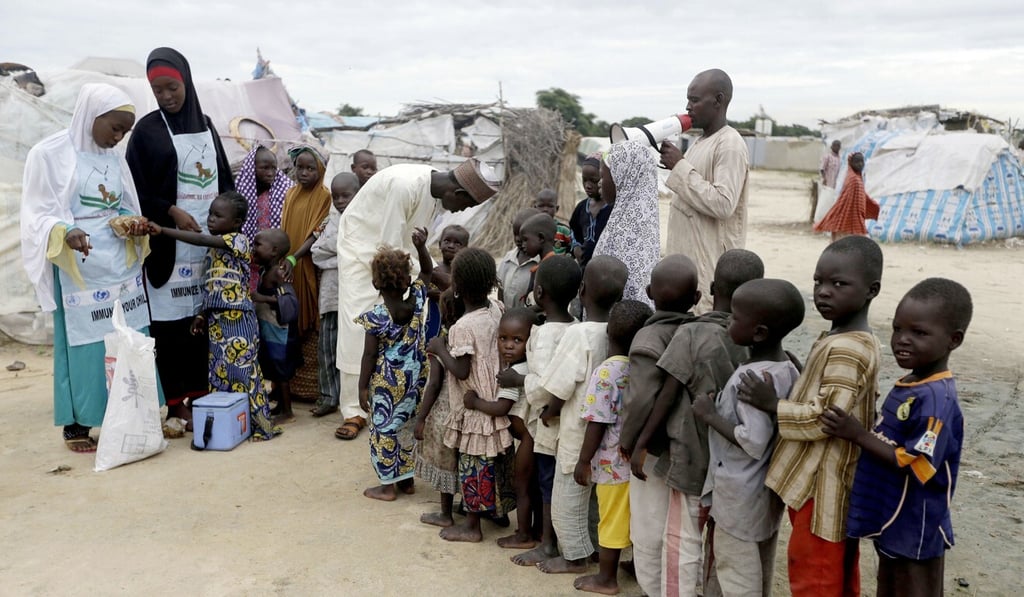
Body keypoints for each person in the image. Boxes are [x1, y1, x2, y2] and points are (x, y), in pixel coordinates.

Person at [738, 235, 884, 597]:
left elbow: (826, 417)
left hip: (823, 484)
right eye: (819, 281)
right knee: (836, 572)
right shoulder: (847, 336)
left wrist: (773, 404)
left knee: (815, 574)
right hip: (828, 481)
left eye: (839, 284)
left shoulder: (848, 348)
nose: (824, 292)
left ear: (871, 290)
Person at [21, 83, 154, 452]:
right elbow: (36, 214)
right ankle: (78, 423)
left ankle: (128, 414)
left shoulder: (115, 157)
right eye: (114, 127)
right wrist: (65, 230)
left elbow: (124, 204)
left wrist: (134, 222)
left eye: (124, 131)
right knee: (86, 343)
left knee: (128, 337)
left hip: (119, 264)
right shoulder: (49, 154)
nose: (118, 137)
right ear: (91, 116)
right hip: (79, 267)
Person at [822, 278, 971, 597]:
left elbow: (913, 461)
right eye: (897, 329)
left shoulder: (936, 401)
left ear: (953, 340)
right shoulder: (913, 382)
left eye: (919, 333)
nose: (902, 340)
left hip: (916, 525)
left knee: (912, 587)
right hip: (894, 520)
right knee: (889, 584)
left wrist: (856, 434)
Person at [335, 158, 500, 441]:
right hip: (360, 250)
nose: (461, 211)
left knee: (407, 321)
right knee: (359, 327)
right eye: (465, 205)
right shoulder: (405, 186)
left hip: (392, 253)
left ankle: (386, 397)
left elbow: (411, 244)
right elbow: (389, 247)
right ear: (458, 193)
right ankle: (353, 410)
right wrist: (439, 277)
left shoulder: (432, 192)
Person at [633, 249, 763, 596]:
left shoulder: (692, 334)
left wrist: (642, 442)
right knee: (725, 541)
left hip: (691, 456)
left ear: (711, 288)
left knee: (683, 538)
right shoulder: (762, 340)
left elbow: (666, 395)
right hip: (741, 465)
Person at [126, 47, 234, 424]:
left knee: (203, 322)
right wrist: (171, 210)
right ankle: (174, 403)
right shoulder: (146, 131)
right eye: (158, 91)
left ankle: (200, 398)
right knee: (169, 326)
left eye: (172, 87)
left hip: (207, 245)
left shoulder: (206, 125)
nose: (167, 97)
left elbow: (225, 181)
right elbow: (134, 189)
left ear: (186, 81)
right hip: (167, 248)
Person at [691, 278, 804, 597]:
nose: (728, 319)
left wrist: (710, 415)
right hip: (763, 492)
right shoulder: (787, 368)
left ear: (759, 333)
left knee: (737, 570)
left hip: (739, 492)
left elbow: (753, 441)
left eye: (736, 316)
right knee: (758, 563)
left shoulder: (752, 379)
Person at [147, 191, 280, 441]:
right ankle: (230, 426)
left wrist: (164, 231)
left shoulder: (238, 241)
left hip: (238, 319)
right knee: (220, 373)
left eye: (218, 216)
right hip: (217, 321)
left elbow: (200, 240)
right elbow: (210, 285)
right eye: (210, 214)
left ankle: (260, 425)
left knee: (244, 372)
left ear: (237, 223)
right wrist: (200, 315)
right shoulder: (213, 254)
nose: (211, 219)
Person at [617, 254, 702, 596]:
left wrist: (628, 441)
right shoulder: (703, 332)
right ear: (696, 298)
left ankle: (653, 589)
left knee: (649, 524)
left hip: (651, 450)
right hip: (693, 446)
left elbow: (639, 400)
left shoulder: (647, 340)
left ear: (649, 291)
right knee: (683, 528)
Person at [538, 255, 628, 574]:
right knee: (596, 499)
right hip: (610, 433)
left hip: (578, 428)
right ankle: (593, 552)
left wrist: (548, 411)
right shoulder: (621, 330)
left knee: (568, 499)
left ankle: (574, 557)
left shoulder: (579, 334)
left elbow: (561, 386)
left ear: (582, 290)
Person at [428, 248, 515, 542]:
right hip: (495, 394)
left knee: (473, 464)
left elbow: (461, 370)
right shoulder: (495, 310)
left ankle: (472, 526)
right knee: (495, 459)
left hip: (473, 403)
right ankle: (497, 512)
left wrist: (439, 348)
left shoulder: (462, 328)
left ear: (459, 286)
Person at [500, 255, 582, 566]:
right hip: (567, 423)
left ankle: (548, 543)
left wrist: (518, 379)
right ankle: (549, 538)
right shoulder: (576, 326)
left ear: (539, 292)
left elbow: (546, 386)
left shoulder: (545, 336)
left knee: (547, 485)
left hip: (548, 425)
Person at [573, 299, 652, 595]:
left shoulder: (606, 372)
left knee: (612, 522)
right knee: (636, 517)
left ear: (609, 334)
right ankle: (637, 564)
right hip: (636, 461)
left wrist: (583, 461)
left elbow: (597, 422)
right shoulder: (642, 368)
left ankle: (606, 578)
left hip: (610, 463)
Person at [659, 68, 749, 313]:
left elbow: (723, 203)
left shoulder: (729, 143)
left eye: (695, 100)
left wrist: (679, 165)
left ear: (718, 100)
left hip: (706, 268)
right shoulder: (700, 142)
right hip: (688, 264)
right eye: (688, 99)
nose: (688, 107)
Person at [356, 229, 434, 501]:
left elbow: (368, 356)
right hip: (415, 380)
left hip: (386, 385)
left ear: (376, 283)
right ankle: (407, 481)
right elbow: (428, 271)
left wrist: (362, 387)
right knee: (406, 426)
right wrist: (421, 247)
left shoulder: (376, 317)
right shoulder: (416, 301)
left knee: (383, 431)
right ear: (405, 280)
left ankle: (387, 486)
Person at [280, 145, 332, 401]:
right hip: (288, 266)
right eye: (300, 167)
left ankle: (311, 390)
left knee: (312, 326)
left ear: (320, 170)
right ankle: (290, 387)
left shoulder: (325, 197)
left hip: (310, 268)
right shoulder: (291, 194)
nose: (304, 173)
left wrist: (294, 257)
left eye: (310, 168)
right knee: (289, 322)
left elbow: (316, 233)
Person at [414, 288, 465, 527]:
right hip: (471, 407)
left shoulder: (441, 342)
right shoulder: (475, 334)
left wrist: (422, 417)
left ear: (444, 315)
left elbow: (434, 383)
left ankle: (445, 513)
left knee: (446, 461)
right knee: (466, 459)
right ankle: (471, 504)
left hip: (446, 408)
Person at [310, 173, 359, 417]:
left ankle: (355, 399)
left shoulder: (363, 219)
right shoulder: (332, 221)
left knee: (354, 351)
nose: (340, 201)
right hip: (332, 297)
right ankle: (329, 397)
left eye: (345, 195)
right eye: (336, 196)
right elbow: (317, 252)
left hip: (357, 299)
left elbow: (364, 252)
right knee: (328, 349)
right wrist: (345, 258)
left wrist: (343, 254)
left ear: (357, 193)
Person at [593, 141, 661, 306]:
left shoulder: (624, 232)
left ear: (622, 177)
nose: (599, 183)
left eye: (603, 176)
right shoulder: (639, 221)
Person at [494, 307, 540, 548]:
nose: (508, 346)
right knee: (532, 487)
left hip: (527, 440)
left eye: (517, 340)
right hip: (530, 438)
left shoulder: (513, 373)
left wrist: (475, 402)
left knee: (521, 487)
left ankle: (523, 535)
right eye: (503, 338)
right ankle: (536, 531)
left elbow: (502, 408)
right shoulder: (528, 368)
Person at [252, 229, 299, 422]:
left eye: (257, 245)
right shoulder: (265, 270)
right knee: (272, 364)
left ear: (274, 251)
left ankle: (287, 411)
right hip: (269, 327)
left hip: (279, 330)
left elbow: (288, 299)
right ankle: (280, 405)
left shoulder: (278, 273)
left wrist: (261, 298)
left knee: (281, 369)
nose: (253, 249)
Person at [236, 144, 294, 293]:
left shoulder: (286, 190)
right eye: (264, 168)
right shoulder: (239, 191)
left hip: (274, 259)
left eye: (274, 168)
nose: (270, 173)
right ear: (252, 168)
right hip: (247, 256)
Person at [814, 152, 880, 243]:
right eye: (857, 161)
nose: (860, 164)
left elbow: (862, 197)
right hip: (850, 221)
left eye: (862, 161)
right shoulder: (853, 179)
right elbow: (845, 201)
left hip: (854, 220)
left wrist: (873, 205)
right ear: (851, 163)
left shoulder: (857, 178)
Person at [570, 155, 611, 268]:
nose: (588, 186)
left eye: (593, 181)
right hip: (584, 265)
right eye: (584, 180)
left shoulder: (613, 208)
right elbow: (574, 229)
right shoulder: (582, 207)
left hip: (604, 267)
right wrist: (576, 247)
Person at [497, 207, 541, 309]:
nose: (517, 239)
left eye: (522, 235)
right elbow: (500, 288)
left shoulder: (541, 263)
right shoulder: (508, 259)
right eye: (515, 234)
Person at [534, 188, 574, 256]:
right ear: (535, 207)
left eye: (550, 206)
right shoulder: (532, 229)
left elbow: (573, 247)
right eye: (541, 206)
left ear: (557, 209)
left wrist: (566, 258)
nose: (545, 209)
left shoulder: (563, 230)